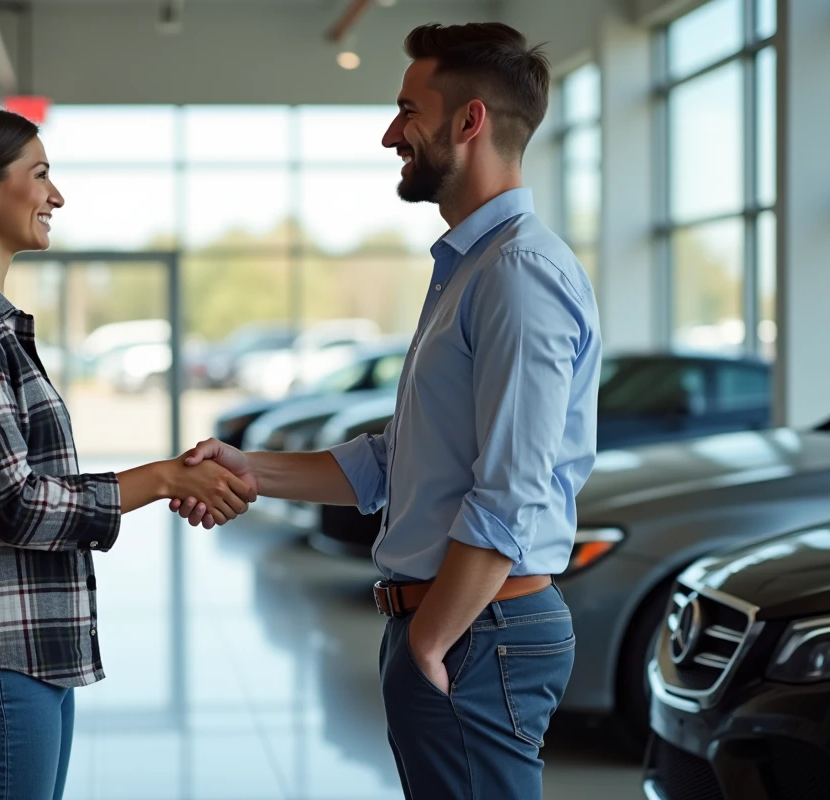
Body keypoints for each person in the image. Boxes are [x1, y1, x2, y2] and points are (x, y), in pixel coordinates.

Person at [172, 22, 602, 800]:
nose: (389, 134)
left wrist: (430, 641)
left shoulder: (517, 273)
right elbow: (392, 462)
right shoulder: (472, 268)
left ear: (469, 121)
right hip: (458, 628)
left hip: (475, 631)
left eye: (408, 110)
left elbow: (512, 490)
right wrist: (248, 469)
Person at [0, 105, 256, 800]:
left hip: (25, 654)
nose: (57, 195)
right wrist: (164, 477)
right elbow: (14, 503)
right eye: (41, 174)